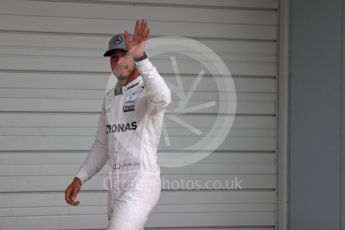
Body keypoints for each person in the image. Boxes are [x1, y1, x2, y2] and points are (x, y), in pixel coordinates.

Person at [64, 19, 171, 230]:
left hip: (141, 181)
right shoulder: (111, 98)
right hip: (115, 184)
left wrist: (141, 57)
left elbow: (163, 98)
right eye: (113, 57)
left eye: (124, 54)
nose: (118, 61)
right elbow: (102, 145)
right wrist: (80, 177)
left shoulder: (147, 90)